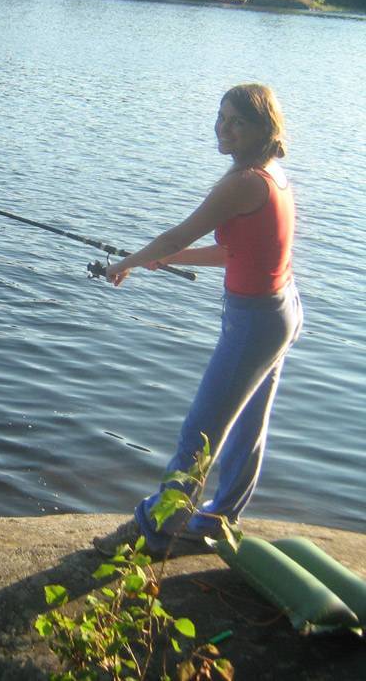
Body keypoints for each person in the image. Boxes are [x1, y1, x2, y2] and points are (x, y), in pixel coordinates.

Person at [93, 84, 303, 557]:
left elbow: (176, 234)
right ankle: (220, 515)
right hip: (279, 311)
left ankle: (161, 527)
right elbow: (233, 250)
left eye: (236, 122)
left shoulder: (243, 181)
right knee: (248, 425)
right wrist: (168, 259)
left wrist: (124, 263)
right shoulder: (271, 174)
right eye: (221, 117)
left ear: (262, 128)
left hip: (255, 323)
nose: (223, 128)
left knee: (202, 429)